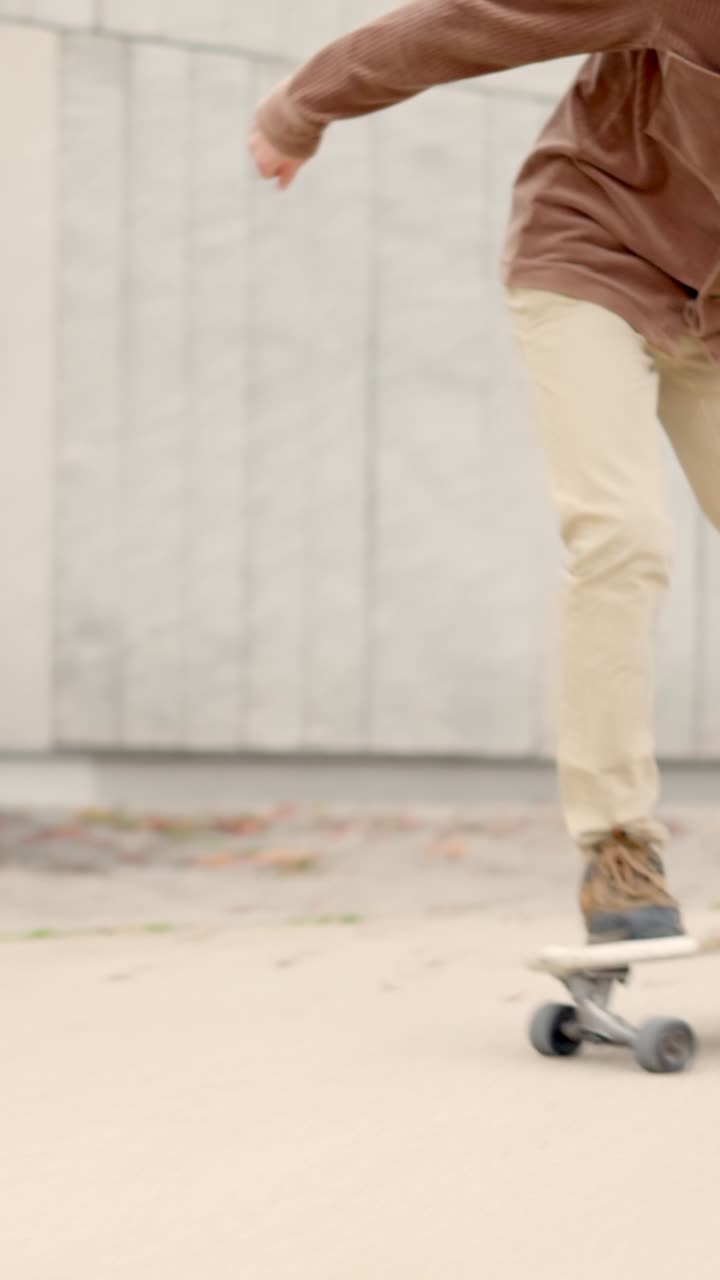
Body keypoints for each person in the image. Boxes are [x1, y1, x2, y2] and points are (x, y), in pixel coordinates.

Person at [249, 1, 720, 943]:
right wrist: (299, 110)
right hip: (594, 254)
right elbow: (470, 23)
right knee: (620, 537)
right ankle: (616, 846)